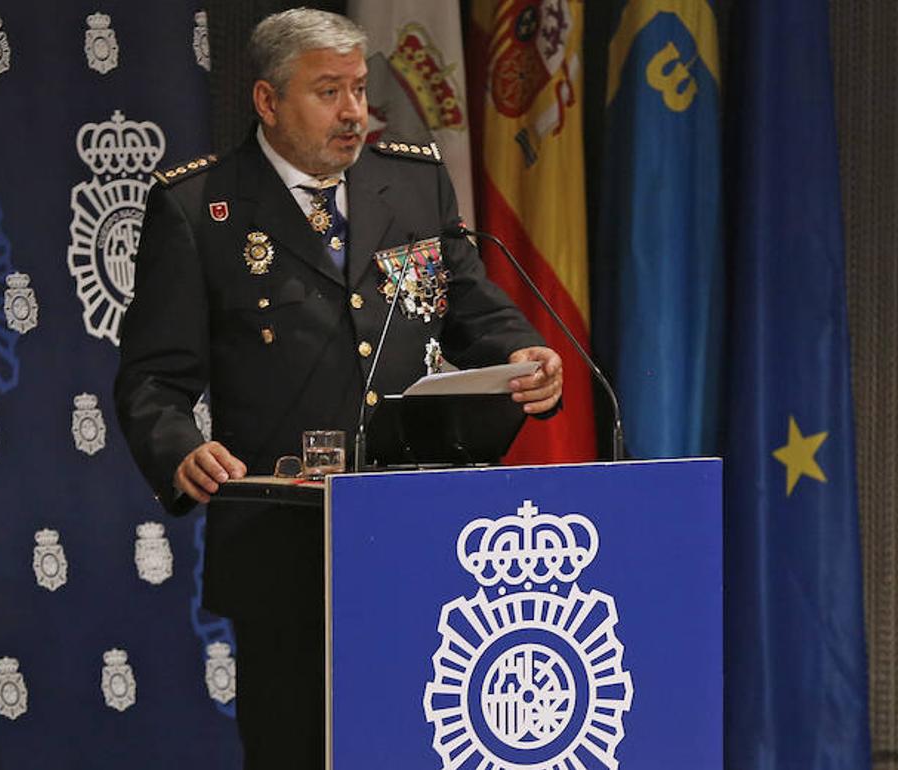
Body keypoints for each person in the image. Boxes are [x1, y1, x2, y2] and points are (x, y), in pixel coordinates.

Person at [114, 8, 563, 768]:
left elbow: (468, 309)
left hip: (421, 535)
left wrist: (525, 355)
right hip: (286, 550)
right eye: (329, 92)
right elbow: (153, 378)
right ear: (267, 101)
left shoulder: (413, 185)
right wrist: (181, 450)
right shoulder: (201, 209)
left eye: (358, 89)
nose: (355, 111)